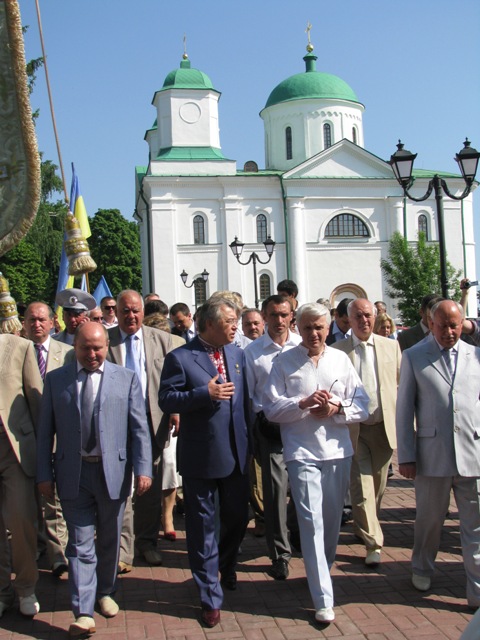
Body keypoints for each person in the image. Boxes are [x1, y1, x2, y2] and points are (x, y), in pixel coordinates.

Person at [36, 322, 152, 636]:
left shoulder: (125, 378)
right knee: (79, 544)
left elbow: (139, 429)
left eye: (98, 348)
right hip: (74, 473)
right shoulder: (56, 380)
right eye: (86, 348)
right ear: (75, 346)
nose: (92, 354)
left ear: (106, 347)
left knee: (110, 538)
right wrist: (44, 474)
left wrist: (144, 469)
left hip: (112, 472)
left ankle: (106, 590)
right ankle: (83, 611)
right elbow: (46, 432)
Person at [263, 303, 368, 624]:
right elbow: (271, 408)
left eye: (319, 327)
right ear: (298, 326)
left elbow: (361, 403)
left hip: (337, 452)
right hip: (301, 453)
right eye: (307, 327)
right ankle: (323, 596)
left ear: (328, 327)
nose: (314, 334)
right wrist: (304, 403)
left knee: (331, 522)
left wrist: (336, 409)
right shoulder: (283, 362)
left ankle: (318, 569)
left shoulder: (340, 359)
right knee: (310, 521)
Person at [159, 297, 251, 628]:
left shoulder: (238, 354)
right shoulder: (181, 358)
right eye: (229, 321)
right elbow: (166, 398)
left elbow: (246, 404)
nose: (235, 327)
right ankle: (209, 595)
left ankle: (223, 565)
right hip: (201, 458)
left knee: (238, 519)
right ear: (209, 324)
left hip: (237, 456)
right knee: (202, 529)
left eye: (236, 321)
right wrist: (203, 395)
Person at [396, 300, 480, 607]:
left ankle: (477, 589)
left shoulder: (476, 356)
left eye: (454, 325)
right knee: (430, 521)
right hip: (432, 456)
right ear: (431, 324)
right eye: (442, 325)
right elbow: (404, 410)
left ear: (463, 325)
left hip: (473, 454)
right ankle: (422, 566)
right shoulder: (415, 357)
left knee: (475, 526)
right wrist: (406, 455)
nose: (448, 331)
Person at [107, 290, 178, 568]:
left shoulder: (161, 340)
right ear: (118, 312)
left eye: (136, 310)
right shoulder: (107, 340)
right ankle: (123, 551)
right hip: (114, 421)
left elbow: (173, 380)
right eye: (125, 311)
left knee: (150, 483)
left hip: (152, 419)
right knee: (120, 485)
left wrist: (174, 410)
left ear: (143, 312)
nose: (131, 316)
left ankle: (147, 542)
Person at [332, 299, 401, 566]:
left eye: (368, 315)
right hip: (354, 431)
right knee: (361, 488)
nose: (365, 321)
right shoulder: (338, 351)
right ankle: (374, 542)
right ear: (349, 320)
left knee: (378, 487)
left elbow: (399, 385)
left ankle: (364, 526)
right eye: (358, 316)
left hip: (383, 427)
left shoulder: (391, 347)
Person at [244, 295, 301, 579]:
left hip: (302, 427)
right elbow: (249, 396)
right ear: (264, 317)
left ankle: (297, 533)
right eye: (273, 315)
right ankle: (279, 553)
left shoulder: (303, 346)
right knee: (276, 491)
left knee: (303, 486)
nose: (279, 321)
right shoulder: (253, 352)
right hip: (269, 428)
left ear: (292, 315)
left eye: (284, 315)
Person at [23, 302, 74, 578]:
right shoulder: (17, 352)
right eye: (31, 320)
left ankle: (58, 557)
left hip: (59, 436)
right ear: (24, 323)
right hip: (25, 437)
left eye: (42, 319)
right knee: (30, 499)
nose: (37, 325)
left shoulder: (67, 353)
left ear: (54, 322)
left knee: (53, 499)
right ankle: (33, 550)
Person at [0, 334, 43, 618]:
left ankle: (27, 587)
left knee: (21, 520)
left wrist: (44, 454)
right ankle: (2, 592)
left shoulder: (19, 346)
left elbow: (36, 401)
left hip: (14, 448)